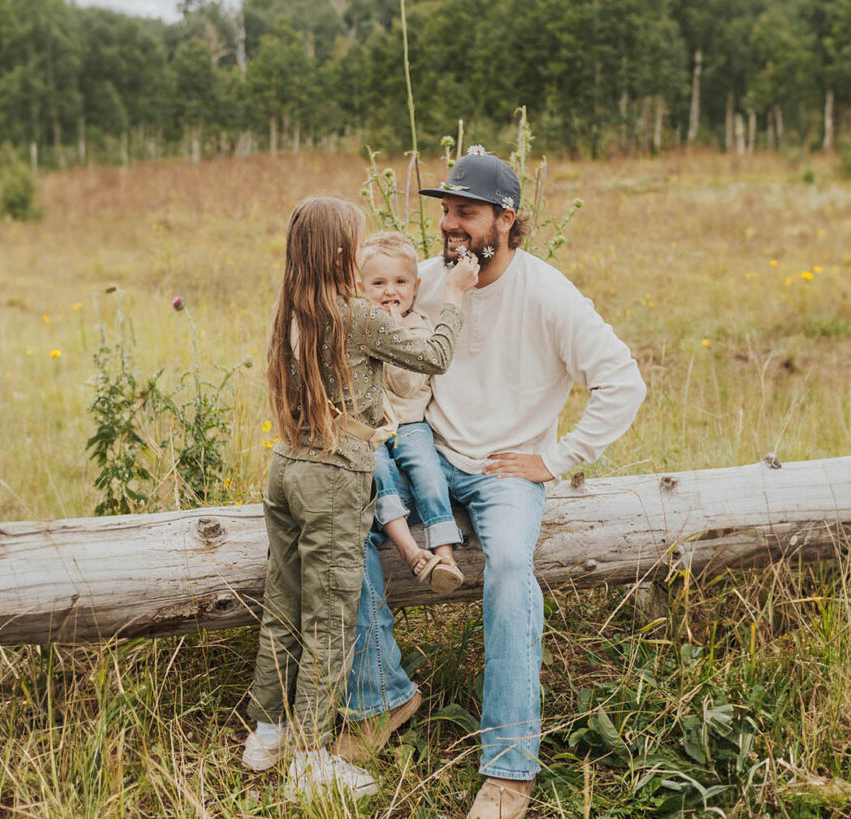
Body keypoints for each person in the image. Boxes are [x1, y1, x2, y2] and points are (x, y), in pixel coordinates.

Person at [336, 150, 647, 819]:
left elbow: (624, 380)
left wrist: (557, 457)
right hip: (427, 452)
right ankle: (383, 695)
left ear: (505, 219)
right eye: (445, 211)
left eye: (465, 213)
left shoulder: (547, 293)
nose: (449, 225)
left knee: (508, 563)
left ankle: (510, 767)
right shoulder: (424, 279)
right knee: (339, 521)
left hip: (509, 471)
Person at [240, 195, 479, 801]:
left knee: (284, 600)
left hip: (287, 467)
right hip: (332, 476)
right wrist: (450, 296)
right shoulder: (356, 316)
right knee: (331, 617)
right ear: (340, 253)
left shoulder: (293, 309)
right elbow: (435, 356)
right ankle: (310, 758)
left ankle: (267, 734)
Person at [360, 231, 467, 595]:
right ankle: (410, 551)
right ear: (361, 287)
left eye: (400, 282)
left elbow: (405, 385)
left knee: (429, 474)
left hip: (410, 425)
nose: (390, 291)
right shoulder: (361, 327)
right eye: (378, 283)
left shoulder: (419, 327)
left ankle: (445, 555)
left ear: (416, 285)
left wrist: (395, 331)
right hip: (373, 429)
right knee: (378, 473)